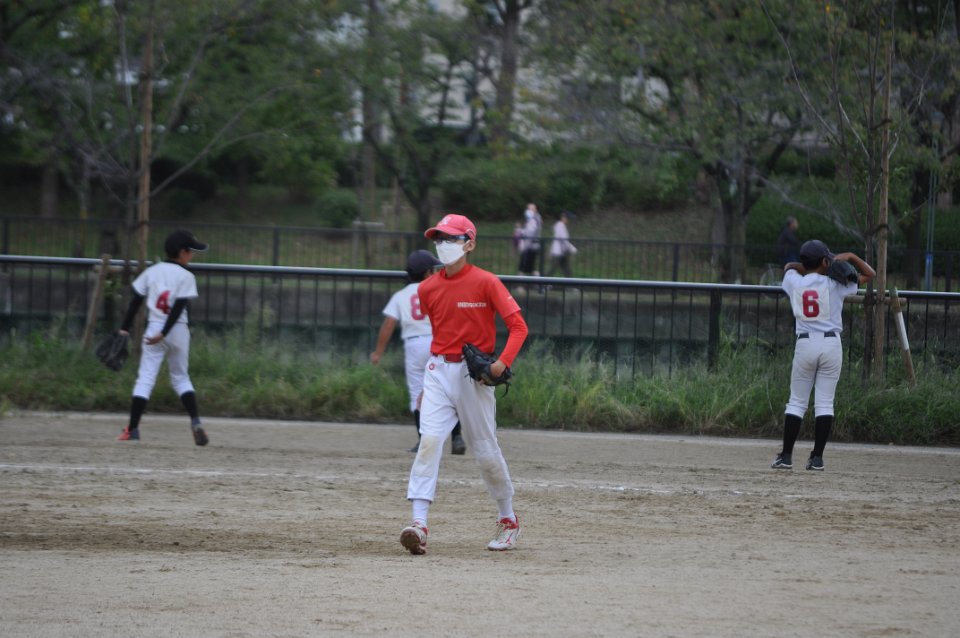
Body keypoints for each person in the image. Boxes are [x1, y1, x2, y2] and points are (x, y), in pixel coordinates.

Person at [399, 213, 529, 555]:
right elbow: (441, 331)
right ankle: (419, 524)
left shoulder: (486, 282)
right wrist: (431, 379)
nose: (443, 244)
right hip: (438, 370)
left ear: (469, 244)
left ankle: (508, 519)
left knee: (484, 449)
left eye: (451, 238)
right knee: (429, 442)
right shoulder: (427, 288)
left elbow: (519, 327)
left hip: (474, 375)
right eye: (439, 238)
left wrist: (501, 363)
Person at [771, 239, 875, 471]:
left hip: (805, 343)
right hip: (830, 344)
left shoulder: (794, 281)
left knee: (796, 402)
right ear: (825, 262)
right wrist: (849, 256)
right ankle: (817, 458)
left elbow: (789, 267)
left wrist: (805, 265)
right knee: (825, 403)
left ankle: (786, 457)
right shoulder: (835, 284)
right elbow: (870, 274)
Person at [116, 229, 210, 445]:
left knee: (146, 378)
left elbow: (136, 301)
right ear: (182, 253)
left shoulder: (152, 271)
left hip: (154, 328)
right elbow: (179, 307)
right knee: (181, 378)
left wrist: (124, 329)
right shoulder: (186, 276)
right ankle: (195, 421)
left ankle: (132, 429)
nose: (192, 256)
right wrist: (166, 332)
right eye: (191, 252)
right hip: (178, 330)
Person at [370, 250, 466, 455]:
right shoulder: (439, 289)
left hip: (414, 345)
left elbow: (388, 325)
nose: (435, 273)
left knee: (417, 392)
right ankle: (456, 436)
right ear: (427, 273)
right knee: (447, 389)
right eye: (433, 270)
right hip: (438, 341)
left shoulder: (400, 295)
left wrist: (378, 352)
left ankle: (423, 440)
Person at [546, 211, 577, 278]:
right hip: (558, 253)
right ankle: (541, 282)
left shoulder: (561, 226)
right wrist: (573, 249)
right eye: (568, 218)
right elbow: (564, 240)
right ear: (563, 218)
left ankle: (570, 284)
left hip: (562, 252)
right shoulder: (560, 226)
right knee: (552, 269)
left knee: (567, 270)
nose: (568, 220)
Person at [517, 203, 543, 277]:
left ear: (535, 210)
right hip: (532, 245)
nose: (528, 211)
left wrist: (520, 231)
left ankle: (520, 282)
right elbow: (528, 231)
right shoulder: (534, 219)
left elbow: (529, 233)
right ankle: (538, 281)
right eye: (528, 209)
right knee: (530, 267)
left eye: (530, 209)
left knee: (524, 266)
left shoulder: (533, 220)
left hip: (530, 246)